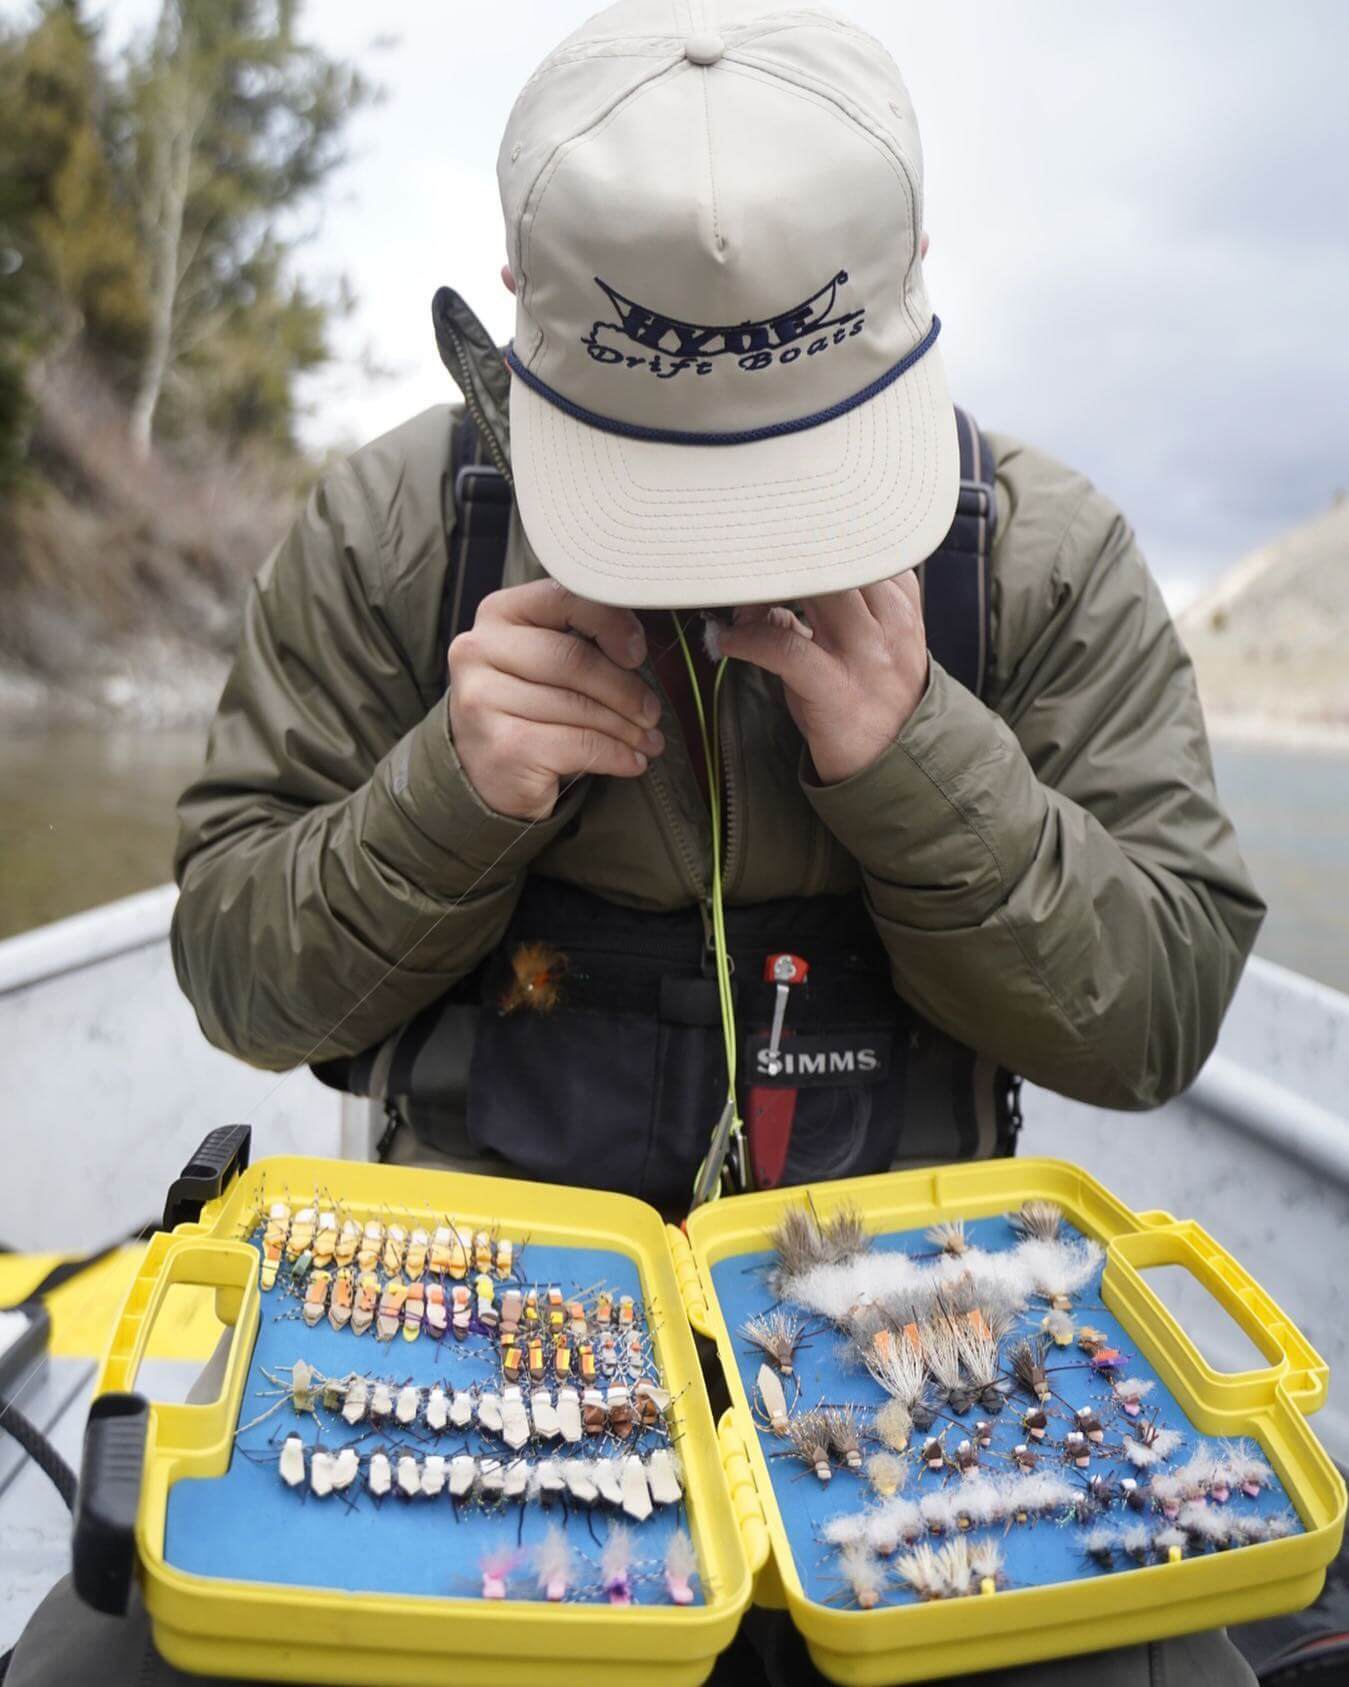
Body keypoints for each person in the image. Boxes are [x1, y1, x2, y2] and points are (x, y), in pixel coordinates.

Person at [9, 3, 1265, 1684]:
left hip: (916, 1333)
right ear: (518, 298)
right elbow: (241, 981)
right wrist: (445, 793)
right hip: (459, 1325)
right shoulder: (390, 531)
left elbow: (1158, 1015)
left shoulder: (1043, 559)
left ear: (912, 272)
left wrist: (916, 763)